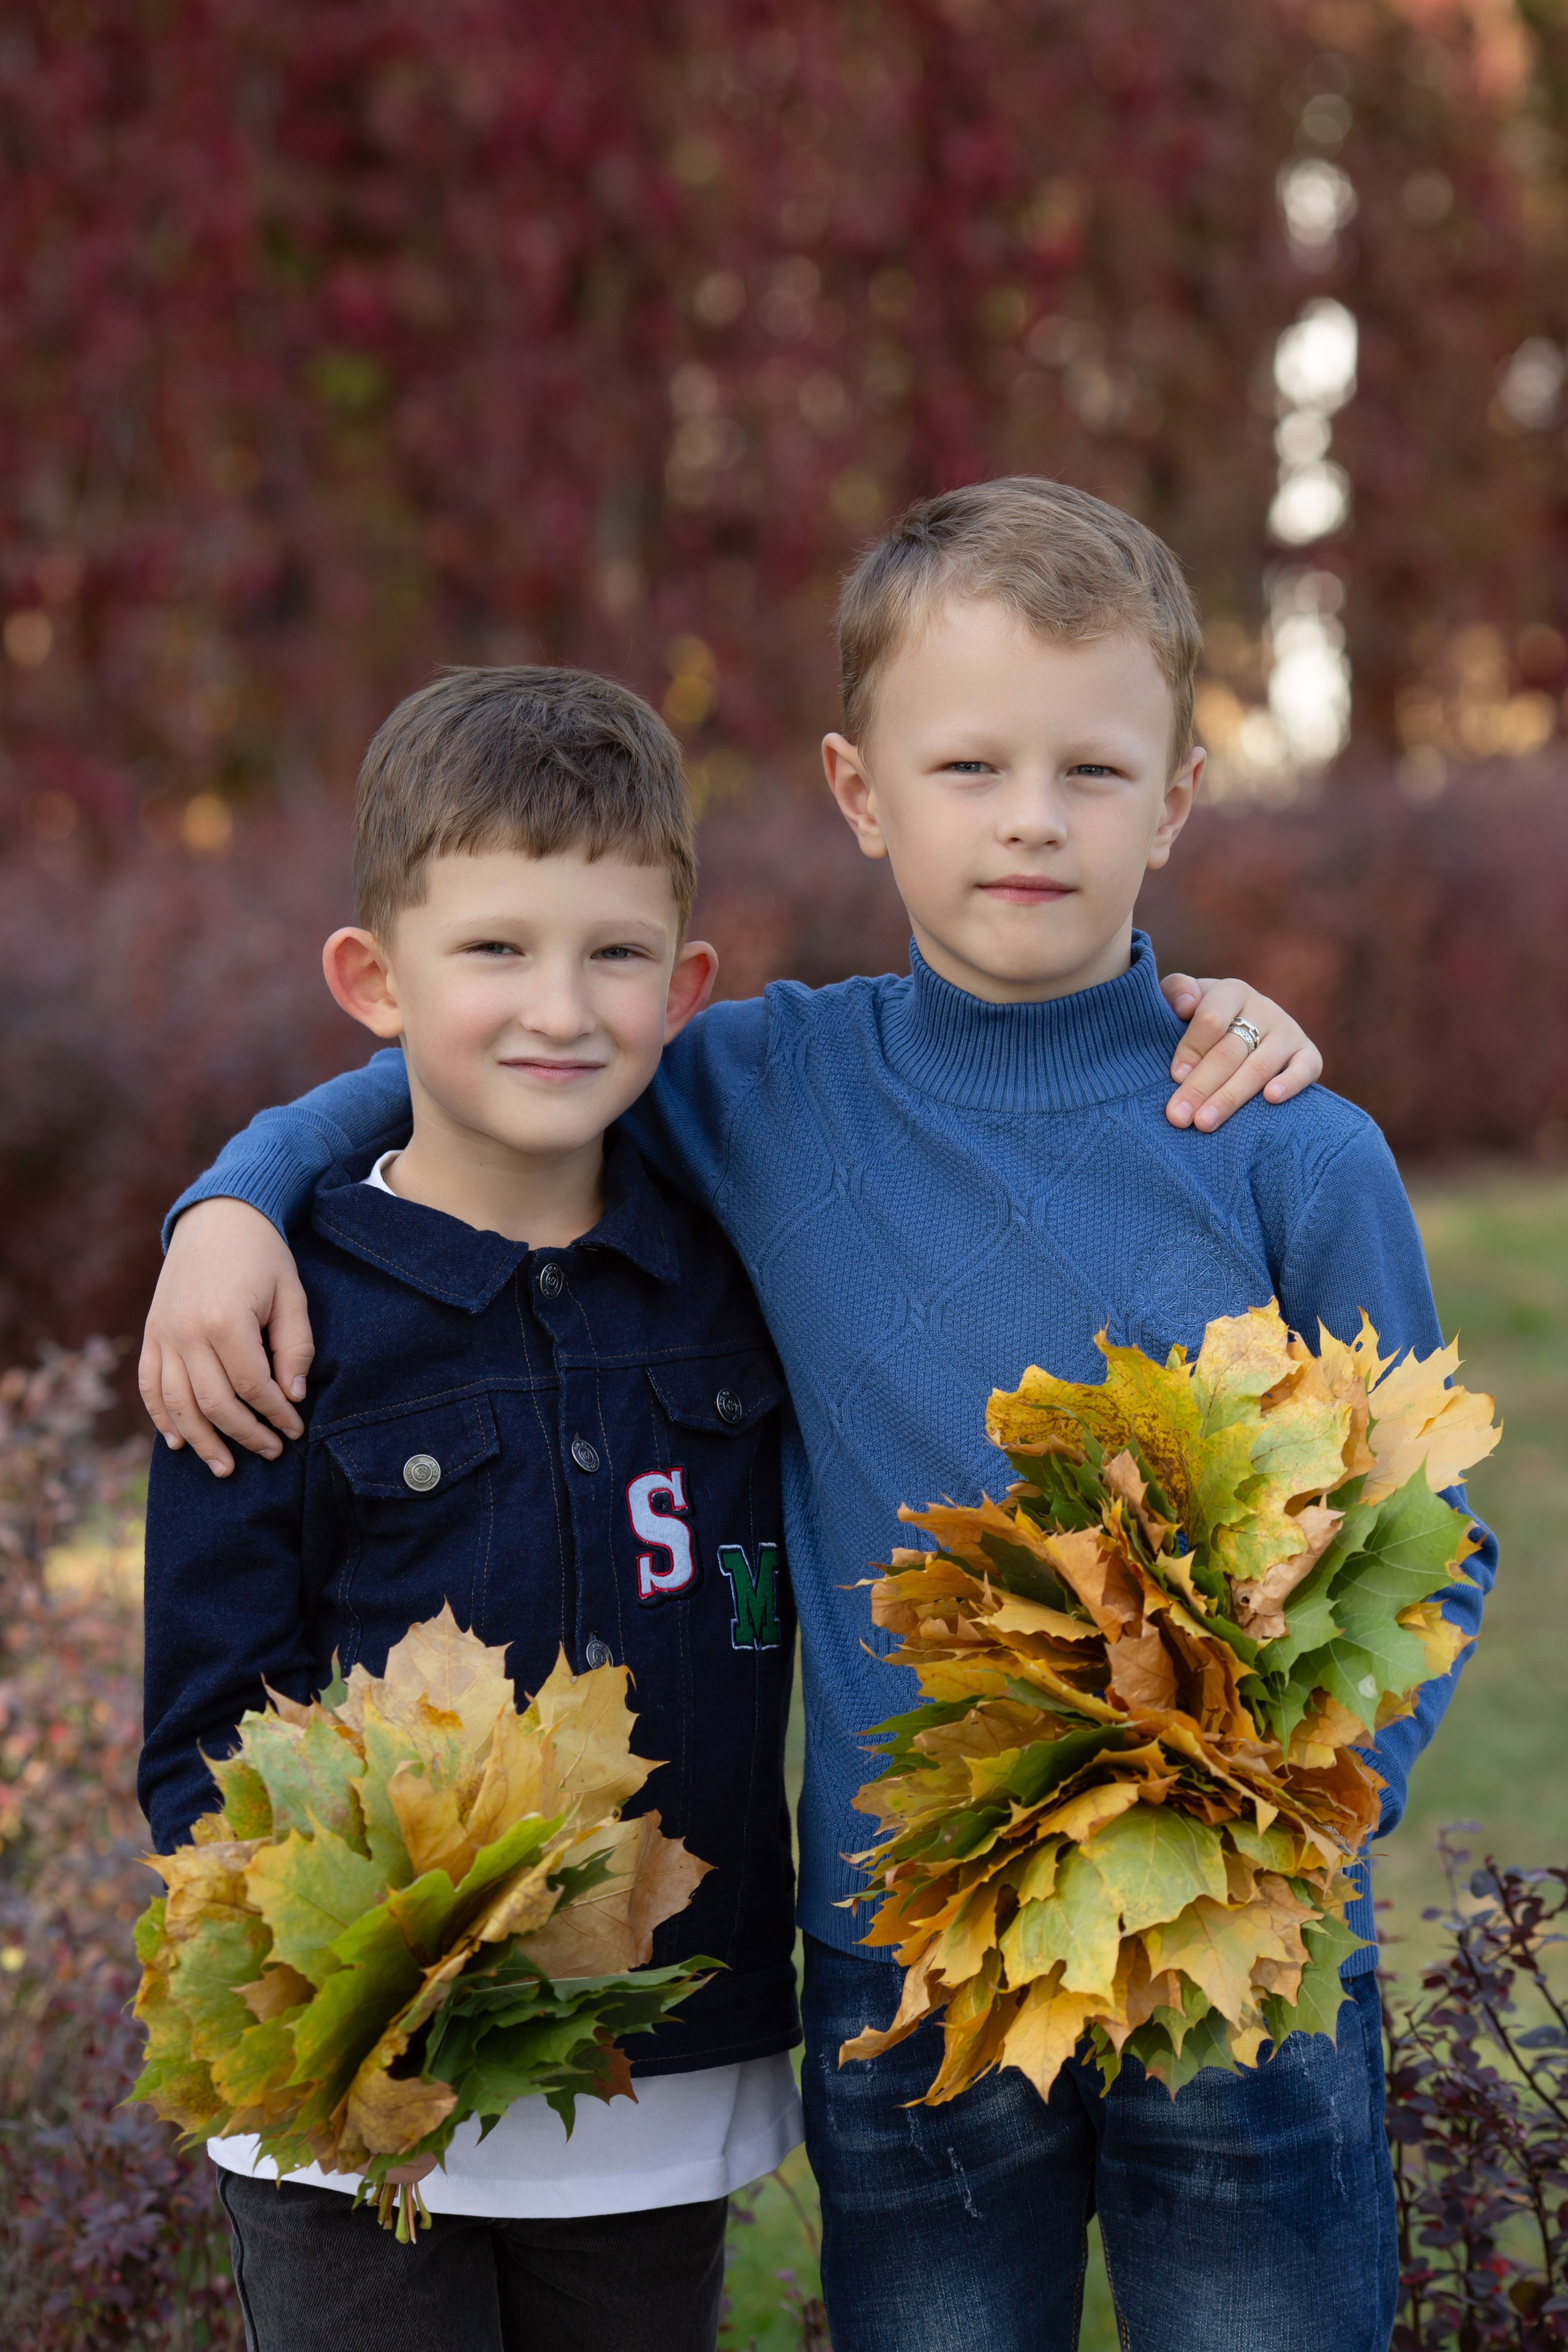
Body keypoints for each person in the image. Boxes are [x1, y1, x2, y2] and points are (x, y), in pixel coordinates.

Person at [140, 478, 1491, 2351]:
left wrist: (1309, 1830)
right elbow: (494, 1057)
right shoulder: (767, 1087)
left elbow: (1436, 1542)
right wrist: (233, 1198)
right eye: (969, 767)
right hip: (901, 1957)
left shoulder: (1287, 1150)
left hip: (1236, 1965)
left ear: (1177, 799)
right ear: (865, 795)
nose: (1030, 818)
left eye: (1094, 774)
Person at [138, 667, 802, 2352]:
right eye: (496, 950)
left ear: (689, 983)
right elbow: (205, 1725)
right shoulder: (280, 1317)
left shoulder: (742, 1275)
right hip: (363, 2091)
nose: (559, 1008)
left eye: (616, 953)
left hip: (657, 2071)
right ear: (374, 981)